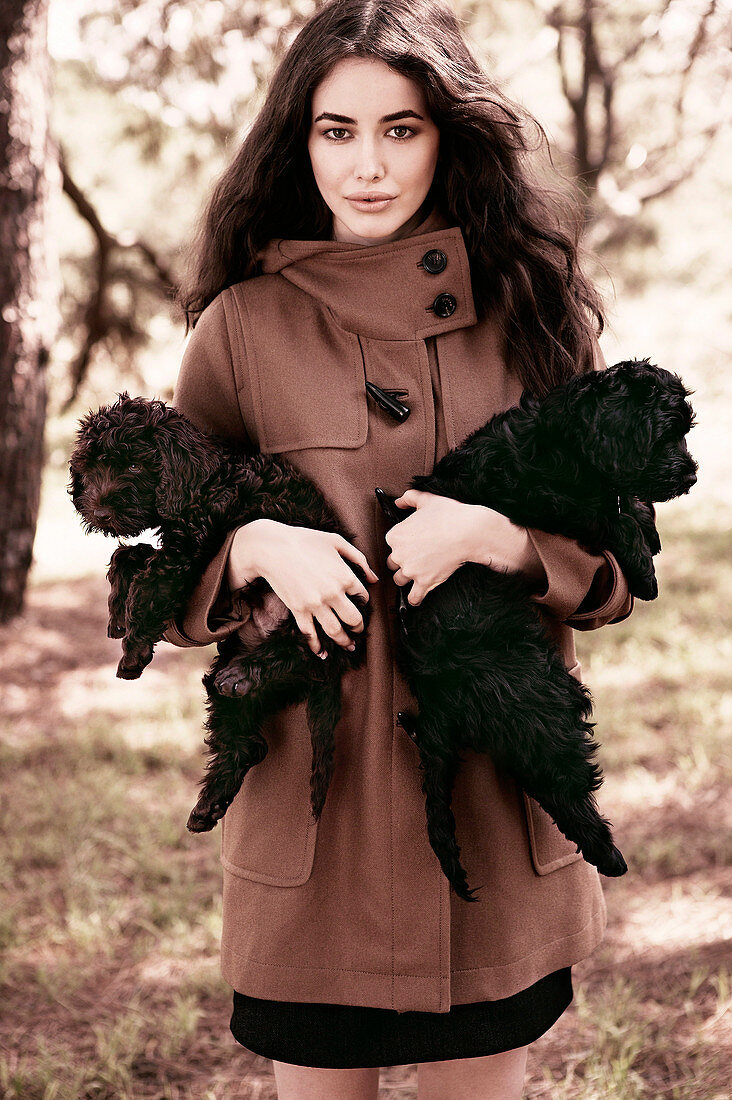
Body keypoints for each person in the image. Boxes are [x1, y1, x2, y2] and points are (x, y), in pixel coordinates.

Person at [162, 1, 635, 1096]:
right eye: (338, 131)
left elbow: (614, 561)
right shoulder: (239, 325)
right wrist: (251, 547)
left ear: (447, 134)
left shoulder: (531, 307)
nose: (367, 165)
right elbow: (157, 542)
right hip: (315, 826)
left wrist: (505, 539)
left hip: (485, 805)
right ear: (299, 140)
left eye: (401, 128)